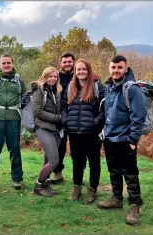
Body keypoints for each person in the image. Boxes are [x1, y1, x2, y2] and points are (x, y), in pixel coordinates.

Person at [97, 55, 147, 225]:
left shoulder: (132, 89)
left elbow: (139, 116)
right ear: (109, 69)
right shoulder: (109, 88)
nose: (116, 70)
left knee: (130, 174)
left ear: (125, 69)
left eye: (119, 67)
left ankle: (135, 206)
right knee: (114, 171)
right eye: (113, 67)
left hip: (125, 139)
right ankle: (117, 199)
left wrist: (133, 139)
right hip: (110, 138)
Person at [61, 59, 106, 204]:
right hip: (74, 133)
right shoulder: (70, 87)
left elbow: (105, 109)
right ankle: (77, 189)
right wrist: (66, 120)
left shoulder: (98, 87)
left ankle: (92, 191)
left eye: (84, 69)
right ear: (75, 71)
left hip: (92, 133)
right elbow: (63, 106)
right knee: (77, 162)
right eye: (78, 69)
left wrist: (96, 122)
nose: (81, 72)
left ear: (89, 71)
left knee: (94, 162)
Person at [0, 54, 26, 190]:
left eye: (8, 63)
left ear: (12, 64)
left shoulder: (19, 80)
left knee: (15, 149)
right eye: (3, 63)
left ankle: (17, 178)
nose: (6, 65)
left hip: (14, 118)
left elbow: (25, 99)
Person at [31, 67, 62, 197]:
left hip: (56, 129)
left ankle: (46, 186)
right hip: (43, 128)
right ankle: (38, 186)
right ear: (45, 76)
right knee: (54, 160)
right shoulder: (39, 90)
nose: (53, 79)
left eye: (55, 77)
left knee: (48, 159)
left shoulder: (57, 91)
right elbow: (37, 112)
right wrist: (59, 118)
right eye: (50, 76)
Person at [51, 53, 75, 184]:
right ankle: (57, 172)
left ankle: (79, 172)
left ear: (73, 62)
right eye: (64, 62)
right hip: (60, 116)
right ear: (60, 63)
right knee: (59, 145)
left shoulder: (79, 75)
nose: (67, 64)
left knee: (79, 146)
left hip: (77, 115)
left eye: (69, 62)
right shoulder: (57, 77)